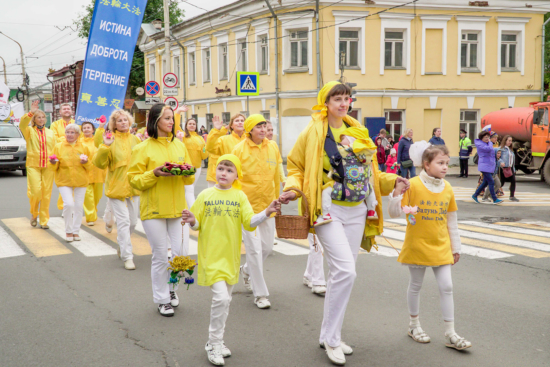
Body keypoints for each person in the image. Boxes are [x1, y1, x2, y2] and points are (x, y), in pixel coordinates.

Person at [279, 81, 404, 365]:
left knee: (341, 276)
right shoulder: (313, 131)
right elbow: (296, 165)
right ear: (326, 102)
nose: (343, 103)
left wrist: (393, 180)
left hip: (358, 209)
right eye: (337, 98)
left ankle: (329, 334)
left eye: (347, 98)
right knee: (346, 272)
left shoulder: (358, 131)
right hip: (328, 208)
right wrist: (291, 186)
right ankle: (333, 341)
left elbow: (370, 172)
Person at [181, 154, 280, 366]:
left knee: (226, 301)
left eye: (229, 170)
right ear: (215, 171)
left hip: (231, 258)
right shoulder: (205, 195)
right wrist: (191, 220)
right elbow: (196, 223)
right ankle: (214, 343)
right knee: (221, 299)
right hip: (210, 256)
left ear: (236, 175)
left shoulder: (240, 197)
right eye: (221, 169)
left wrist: (266, 212)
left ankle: (216, 341)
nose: (223, 173)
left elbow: (249, 222)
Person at [388, 145, 472, 352]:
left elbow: (451, 220)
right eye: (440, 163)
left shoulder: (448, 188)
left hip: (441, 245)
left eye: (446, 163)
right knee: (416, 285)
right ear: (426, 164)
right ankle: (414, 326)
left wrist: (456, 247)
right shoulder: (413, 184)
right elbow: (394, 213)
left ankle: (450, 333)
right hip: (417, 244)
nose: (445, 167)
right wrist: (397, 194)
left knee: (447, 287)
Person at [128, 103, 195, 317]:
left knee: (181, 254)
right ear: (155, 121)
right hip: (154, 209)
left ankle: (172, 289)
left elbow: (190, 177)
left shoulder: (180, 146)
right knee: (159, 256)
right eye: (167, 118)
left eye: (172, 118)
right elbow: (134, 181)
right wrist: (155, 174)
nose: (171, 122)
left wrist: (185, 172)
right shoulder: (142, 148)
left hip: (178, 209)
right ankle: (162, 299)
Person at [231, 114, 282, 309]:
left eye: (264, 126)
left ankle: (246, 270)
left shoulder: (273, 146)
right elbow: (233, 178)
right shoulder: (238, 149)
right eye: (258, 126)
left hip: (268, 205)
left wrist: (278, 199)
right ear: (249, 130)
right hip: (246, 207)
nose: (263, 129)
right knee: (254, 250)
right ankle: (260, 294)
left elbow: (276, 174)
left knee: (267, 248)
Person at [93, 110, 142, 270]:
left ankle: (122, 243)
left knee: (133, 222)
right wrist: (105, 146)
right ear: (114, 124)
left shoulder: (135, 139)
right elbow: (99, 164)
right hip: (116, 187)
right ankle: (128, 256)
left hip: (134, 187)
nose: (123, 123)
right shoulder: (109, 139)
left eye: (125, 120)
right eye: (119, 121)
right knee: (123, 221)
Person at [315, 128, 379, 226]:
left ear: (351, 139)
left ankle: (325, 214)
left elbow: (332, 152)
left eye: (343, 138)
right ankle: (372, 211)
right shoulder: (368, 153)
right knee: (370, 189)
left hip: (344, 190)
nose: (340, 141)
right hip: (363, 190)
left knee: (326, 191)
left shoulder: (344, 150)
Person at [49, 124, 93, 242]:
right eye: (67, 132)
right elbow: (53, 167)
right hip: (64, 180)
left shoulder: (84, 147)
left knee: (78, 206)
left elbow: (91, 166)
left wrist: (86, 162)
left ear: (78, 135)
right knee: (68, 204)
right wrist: (53, 162)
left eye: (72, 132)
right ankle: (68, 231)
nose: (69, 135)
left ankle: (76, 231)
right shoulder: (58, 147)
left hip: (81, 180)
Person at [19, 100, 56, 229]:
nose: (40, 119)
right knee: (35, 192)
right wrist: (31, 112)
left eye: (42, 117)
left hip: (48, 166)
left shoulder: (51, 133)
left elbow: (55, 149)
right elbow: (22, 124)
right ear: (34, 119)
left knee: (46, 193)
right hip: (33, 165)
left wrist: (55, 159)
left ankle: (44, 220)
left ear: (45, 119)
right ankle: (34, 214)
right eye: (38, 117)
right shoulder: (29, 131)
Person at [206, 114, 246, 187]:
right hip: (228, 177)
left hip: (244, 178)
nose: (240, 122)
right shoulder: (223, 139)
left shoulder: (248, 140)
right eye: (237, 121)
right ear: (231, 126)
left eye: (242, 121)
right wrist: (216, 131)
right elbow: (210, 148)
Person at [178, 117, 208, 207]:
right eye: (190, 123)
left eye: (193, 124)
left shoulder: (200, 138)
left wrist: (205, 149)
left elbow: (204, 154)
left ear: (196, 126)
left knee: (190, 188)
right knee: (189, 188)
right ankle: (193, 210)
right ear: (186, 126)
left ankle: (184, 207)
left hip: (197, 167)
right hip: (185, 166)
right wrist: (178, 112)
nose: (192, 125)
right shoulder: (182, 135)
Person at [81, 122, 107, 226]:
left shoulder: (98, 141)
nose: (86, 129)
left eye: (89, 127)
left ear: (93, 130)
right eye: (84, 128)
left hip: (98, 173)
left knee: (97, 196)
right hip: (85, 173)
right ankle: (90, 217)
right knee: (88, 196)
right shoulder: (79, 142)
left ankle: (93, 212)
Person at [51, 103, 75, 211]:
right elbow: (54, 139)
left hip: (75, 155)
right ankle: (65, 206)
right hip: (61, 156)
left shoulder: (76, 123)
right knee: (64, 183)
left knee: (75, 182)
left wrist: (63, 138)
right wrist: (70, 138)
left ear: (71, 111)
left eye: (68, 109)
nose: (66, 110)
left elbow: (80, 137)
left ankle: (70, 206)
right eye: (64, 109)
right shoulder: (55, 125)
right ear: (60, 112)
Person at [472, 131, 503, 205]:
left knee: (485, 183)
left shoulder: (487, 144)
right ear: (481, 138)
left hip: (489, 165)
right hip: (484, 165)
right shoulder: (480, 144)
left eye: (488, 137)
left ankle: (475, 195)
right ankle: (494, 199)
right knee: (491, 182)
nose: (487, 139)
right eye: (485, 137)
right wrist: (490, 142)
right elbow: (488, 149)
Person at [499, 135, 519, 202]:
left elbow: (512, 161)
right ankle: (490, 193)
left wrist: (513, 169)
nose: (510, 142)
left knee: (513, 181)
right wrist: (501, 163)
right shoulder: (501, 149)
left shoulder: (511, 150)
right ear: (505, 141)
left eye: (511, 141)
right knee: (501, 183)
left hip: (510, 169)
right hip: (503, 169)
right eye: (509, 141)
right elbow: (498, 158)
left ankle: (512, 196)